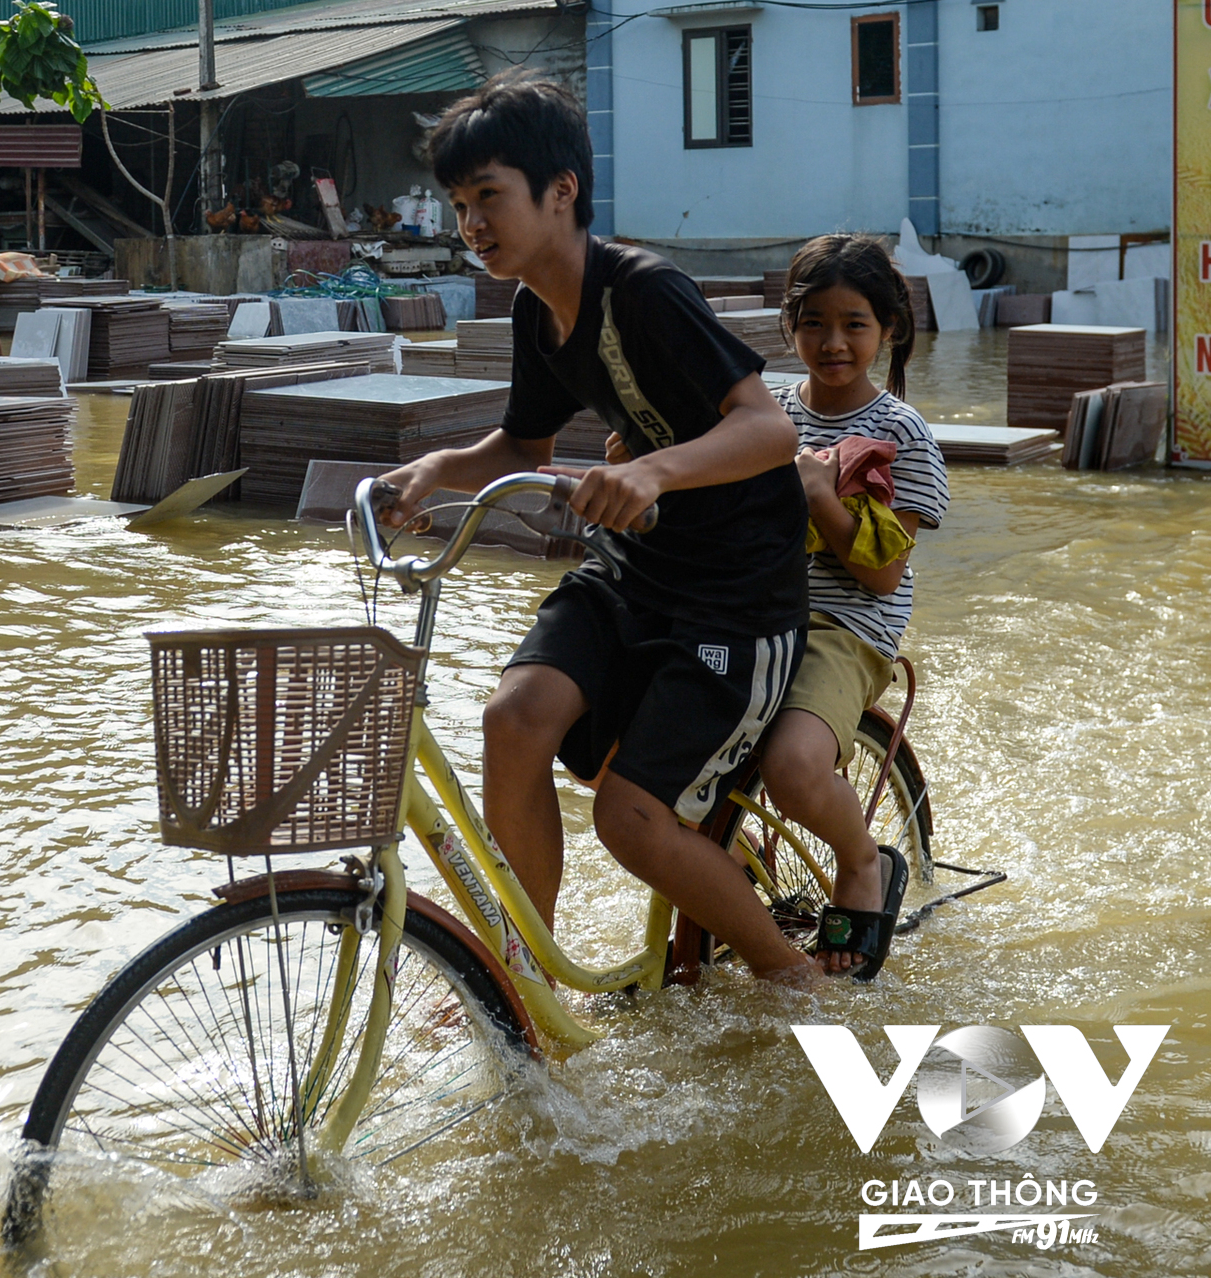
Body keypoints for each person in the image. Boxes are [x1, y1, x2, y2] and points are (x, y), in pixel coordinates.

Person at [376, 70, 818, 984]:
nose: (471, 224)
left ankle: (794, 980)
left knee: (628, 817)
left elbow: (770, 428)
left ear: (562, 190)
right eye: (460, 204)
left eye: (488, 196)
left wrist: (652, 467)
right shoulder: (538, 311)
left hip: (735, 596)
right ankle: (523, 974)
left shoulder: (645, 290)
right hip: (637, 570)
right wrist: (435, 469)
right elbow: (522, 442)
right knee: (514, 717)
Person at [755, 234, 949, 979]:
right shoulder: (767, 412)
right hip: (753, 612)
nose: (832, 342)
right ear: (790, 326)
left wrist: (814, 493)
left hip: (844, 627)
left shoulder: (901, 433)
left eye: (854, 324)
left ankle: (862, 858)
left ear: (889, 329)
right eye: (813, 324)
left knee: (794, 765)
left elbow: (883, 571)